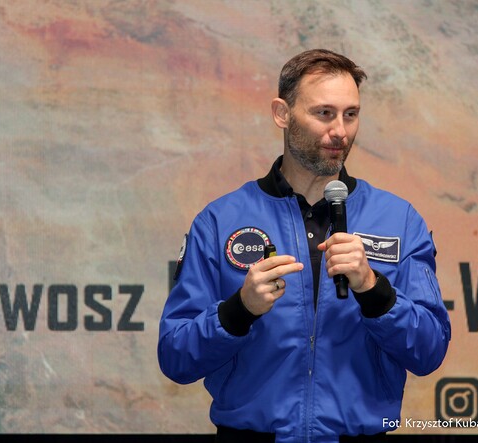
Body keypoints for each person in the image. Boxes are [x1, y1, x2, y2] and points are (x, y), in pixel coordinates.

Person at [158, 48, 451, 442]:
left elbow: (430, 351)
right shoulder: (219, 221)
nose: (341, 131)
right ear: (282, 114)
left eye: (351, 114)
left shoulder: (399, 220)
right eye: (324, 113)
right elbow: (175, 357)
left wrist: (374, 291)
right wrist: (239, 310)